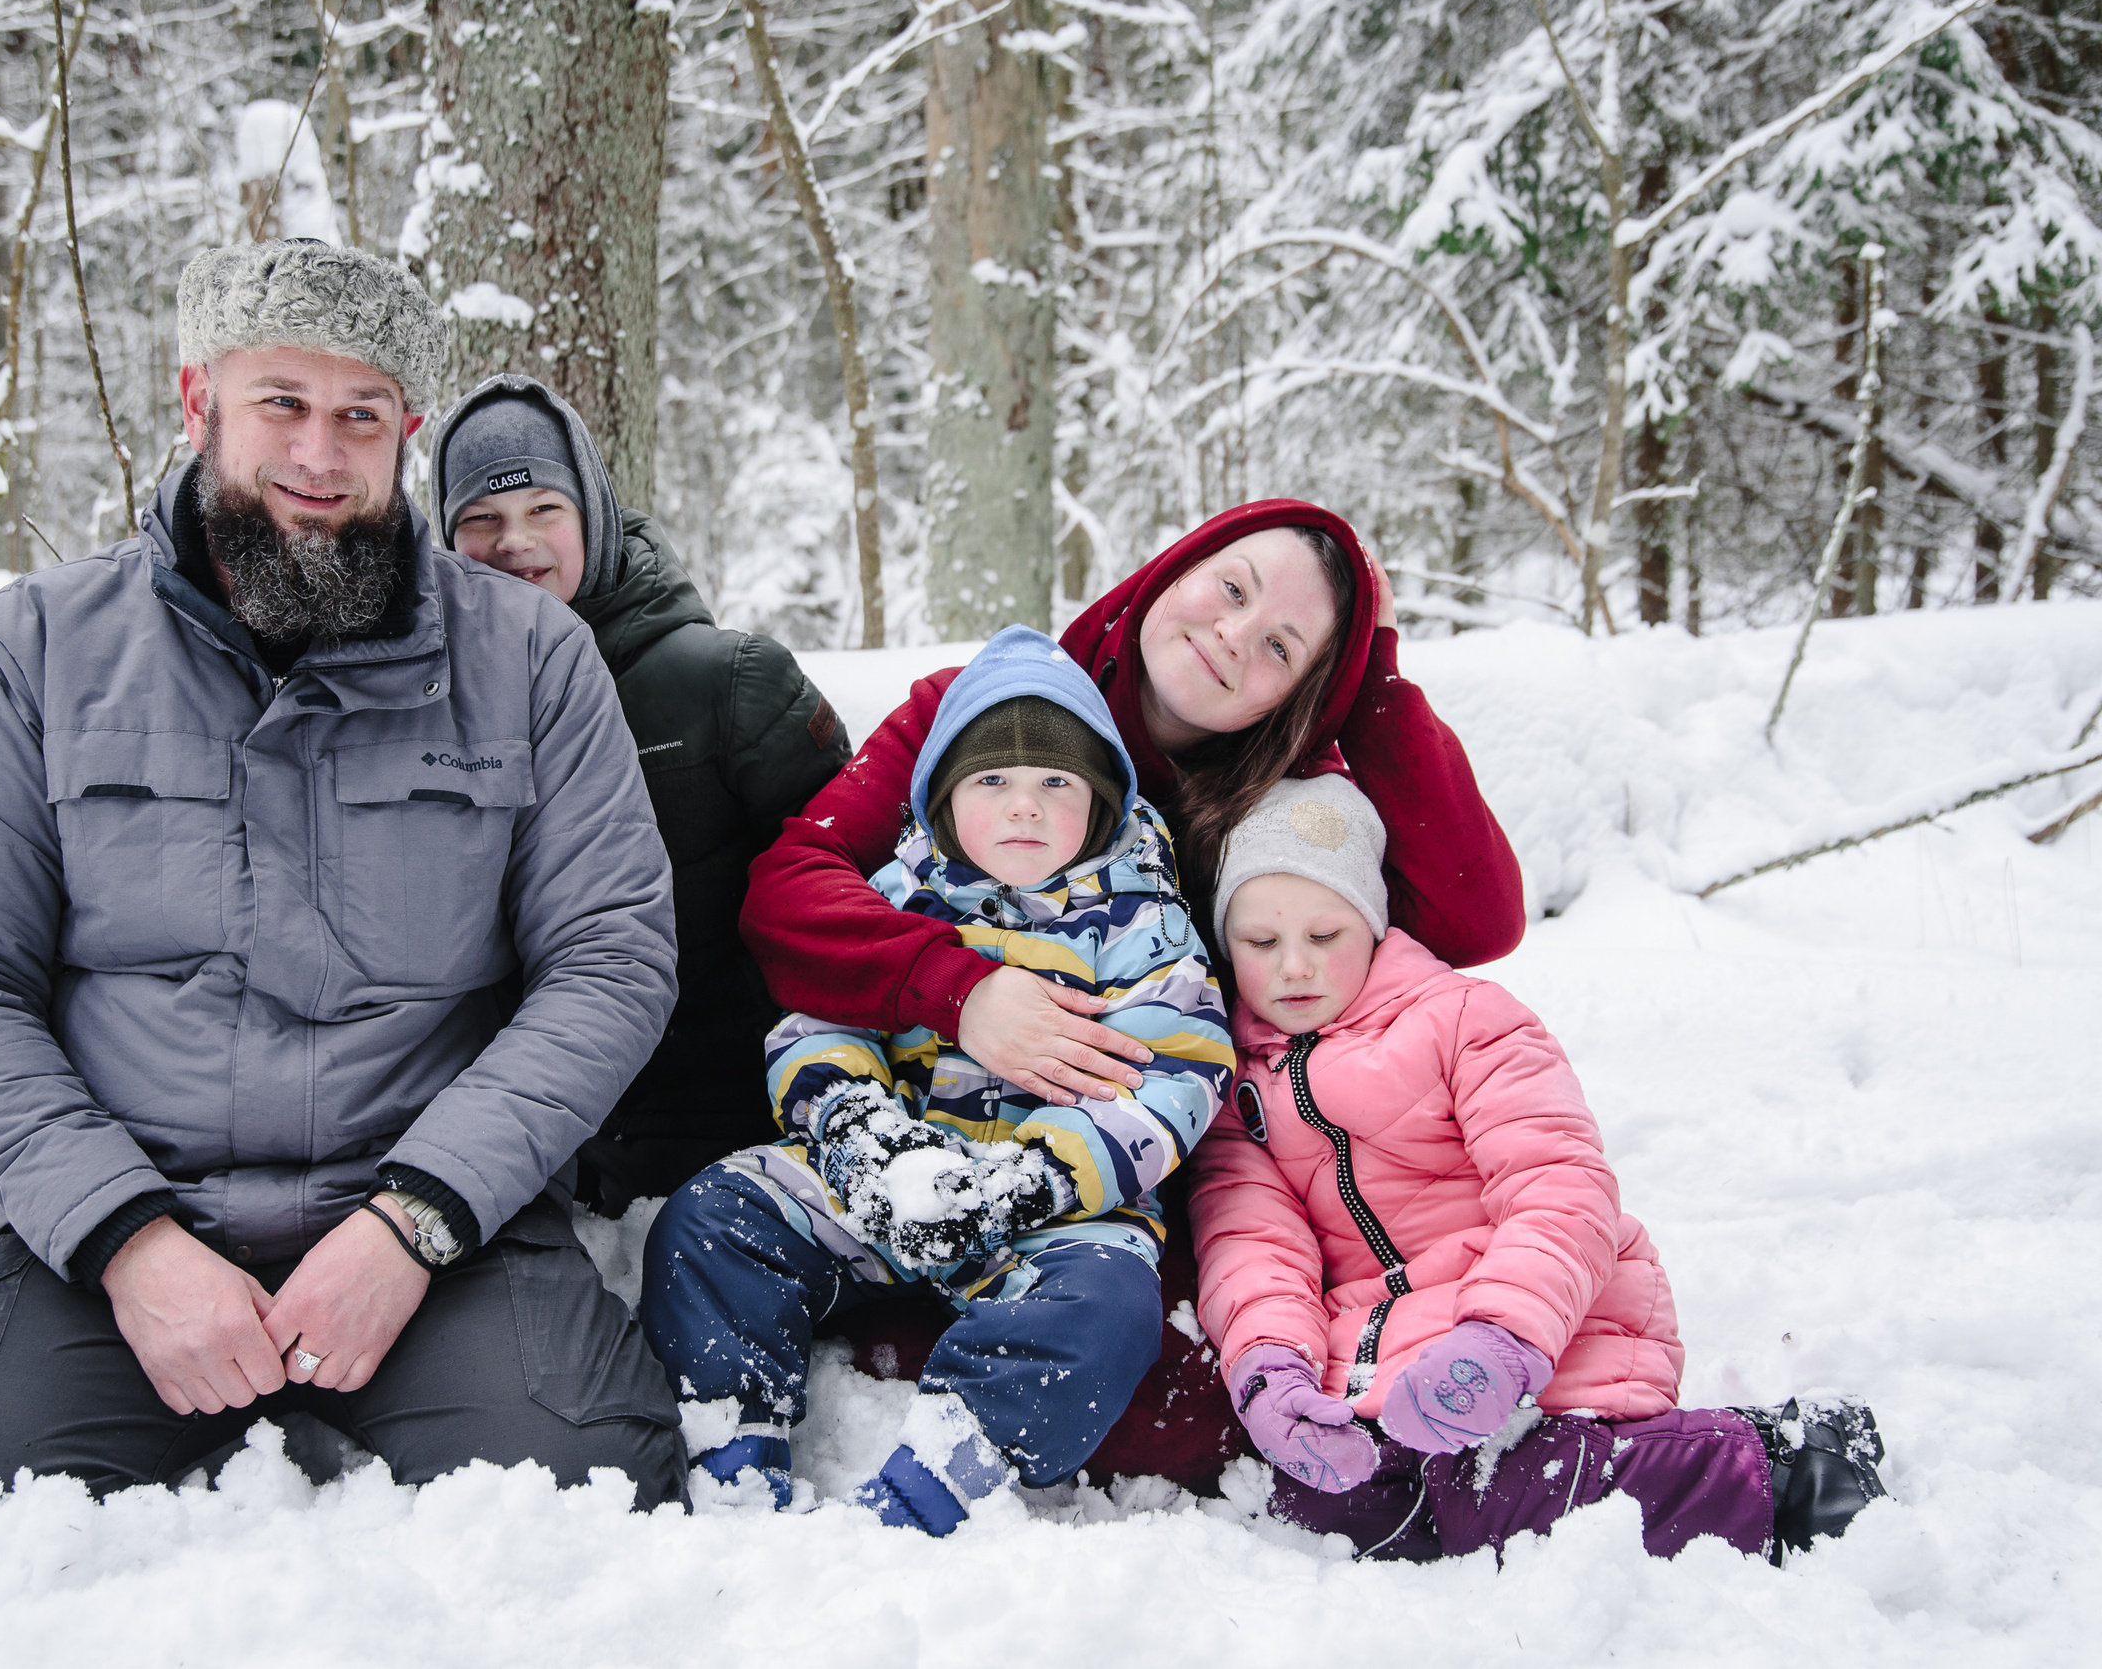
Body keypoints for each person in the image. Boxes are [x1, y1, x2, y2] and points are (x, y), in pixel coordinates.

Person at [0, 240, 686, 1503]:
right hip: (125, 1237)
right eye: (281, 404)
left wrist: (414, 1221)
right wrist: (129, 1240)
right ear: (200, 404)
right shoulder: (34, 649)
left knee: (595, 1500)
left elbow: (611, 961)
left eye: (360, 415)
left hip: (441, 1237)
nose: (320, 452)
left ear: (406, 429)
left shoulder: (530, 658)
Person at [738, 501, 1524, 1486]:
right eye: (1230, 588)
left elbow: (1476, 916)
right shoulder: (979, 707)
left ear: (1301, 694)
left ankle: (955, 1359)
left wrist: (1374, 680)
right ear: (1175, 567)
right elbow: (791, 887)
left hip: (1127, 1167)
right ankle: (896, 1315)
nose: (1233, 634)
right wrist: (958, 988)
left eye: (1282, 645)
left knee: (1184, 1404)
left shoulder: (1273, 796)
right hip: (920, 1108)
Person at [1193, 775, 1889, 1561]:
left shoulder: (1466, 1020)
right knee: (1326, 1508)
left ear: (1374, 924)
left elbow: (1560, 1186)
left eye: (1325, 936)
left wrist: (1503, 1339)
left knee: (1507, 1492)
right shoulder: (1230, 1089)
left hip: (1553, 1319)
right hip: (1382, 1359)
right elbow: (1253, 1247)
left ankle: (1785, 1461)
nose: (1294, 968)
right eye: (1260, 943)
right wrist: (1270, 1369)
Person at [641, 626, 1235, 1532]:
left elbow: (1177, 1078)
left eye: (1056, 784)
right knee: (714, 1218)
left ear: (1103, 798)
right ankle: (734, 1445)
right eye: (991, 781)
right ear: (945, 796)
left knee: (1110, 1311)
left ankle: (941, 1476)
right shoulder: (896, 896)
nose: (1023, 808)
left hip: (1051, 1216)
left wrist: (1027, 1184)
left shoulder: (1142, 928)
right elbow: (817, 1017)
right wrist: (863, 1138)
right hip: (890, 1176)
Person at [430, 376, 850, 1212]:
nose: (515, 542)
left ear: (593, 514)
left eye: (544, 509)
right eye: (481, 519)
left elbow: (853, 898)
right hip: (527, 1154)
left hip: (733, 1143)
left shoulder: (730, 686)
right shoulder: (427, 709)